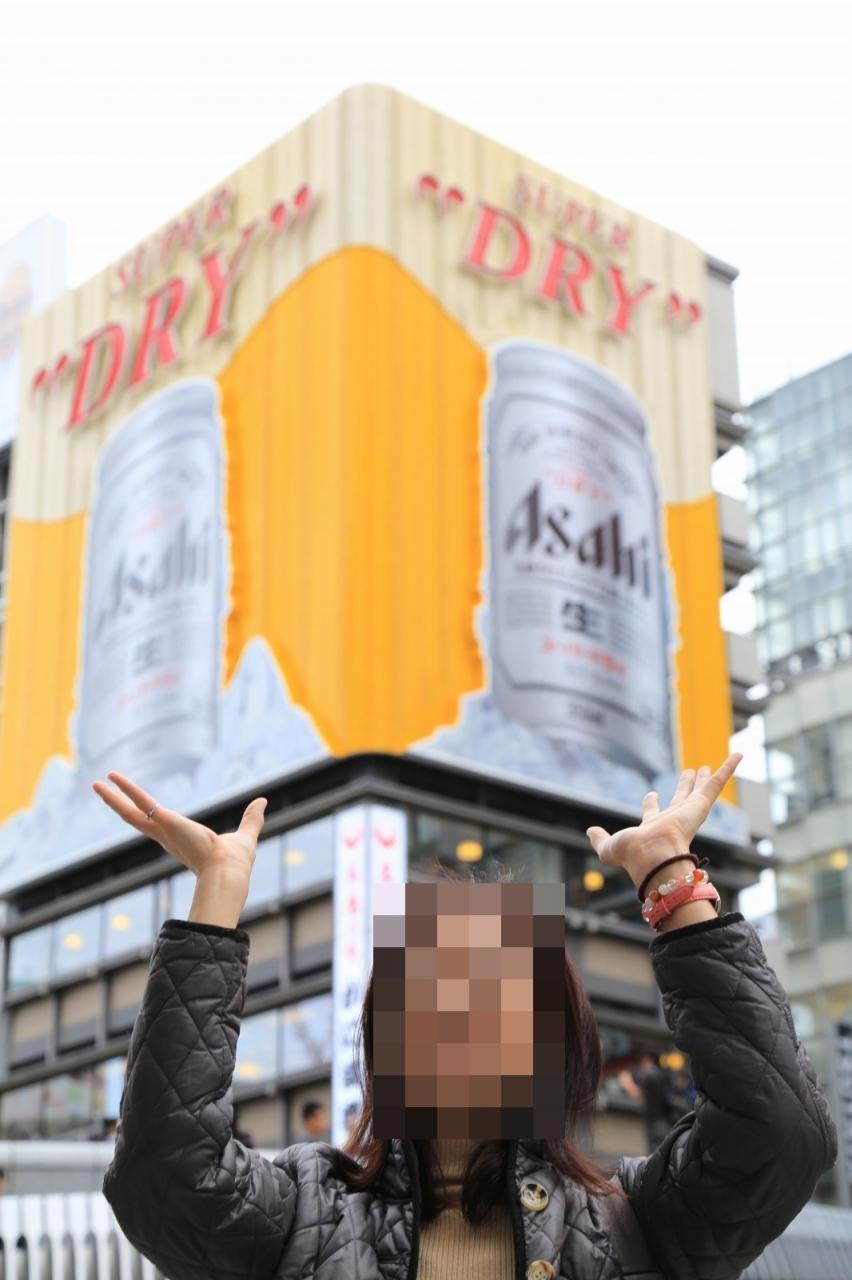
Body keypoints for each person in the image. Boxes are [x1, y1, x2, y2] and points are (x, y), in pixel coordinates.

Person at [96, 755, 838, 1280]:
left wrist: (670, 879)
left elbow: (779, 1136)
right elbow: (164, 1178)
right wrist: (216, 897)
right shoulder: (303, 1213)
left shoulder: (634, 1219)